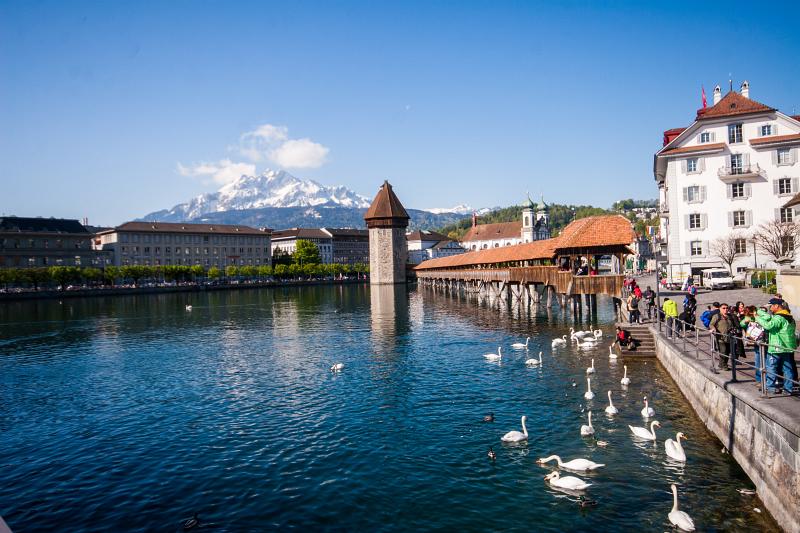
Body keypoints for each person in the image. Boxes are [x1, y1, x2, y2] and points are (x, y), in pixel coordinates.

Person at [755, 298, 798, 394]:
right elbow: (770, 318)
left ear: (776, 306)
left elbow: (769, 325)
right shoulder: (789, 316)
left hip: (776, 347)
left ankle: (771, 387)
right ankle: (788, 388)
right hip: (786, 347)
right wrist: (759, 312)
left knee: (771, 367)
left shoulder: (779, 317)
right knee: (787, 368)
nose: (770, 308)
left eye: (771, 306)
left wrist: (757, 318)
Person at [740, 305, 765, 384]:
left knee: (765, 361)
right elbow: (742, 324)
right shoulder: (749, 318)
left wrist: (757, 317)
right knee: (757, 360)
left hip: (763, 341)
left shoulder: (761, 316)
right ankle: (759, 379)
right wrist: (746, 321)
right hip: (755, 341)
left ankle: (764, 380)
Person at [710, 303, 735, 370]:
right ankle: (724, 365)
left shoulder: (730, 316)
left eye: (727, 308)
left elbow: (733, 325)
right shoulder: (717, 316)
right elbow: (711, 324)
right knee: (723, 351)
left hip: (729, 337)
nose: (725, 309)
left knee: (727, 351)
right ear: (720, 309)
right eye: (723, 308)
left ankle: (722, 364)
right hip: (720, 337)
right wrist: (713, 329)